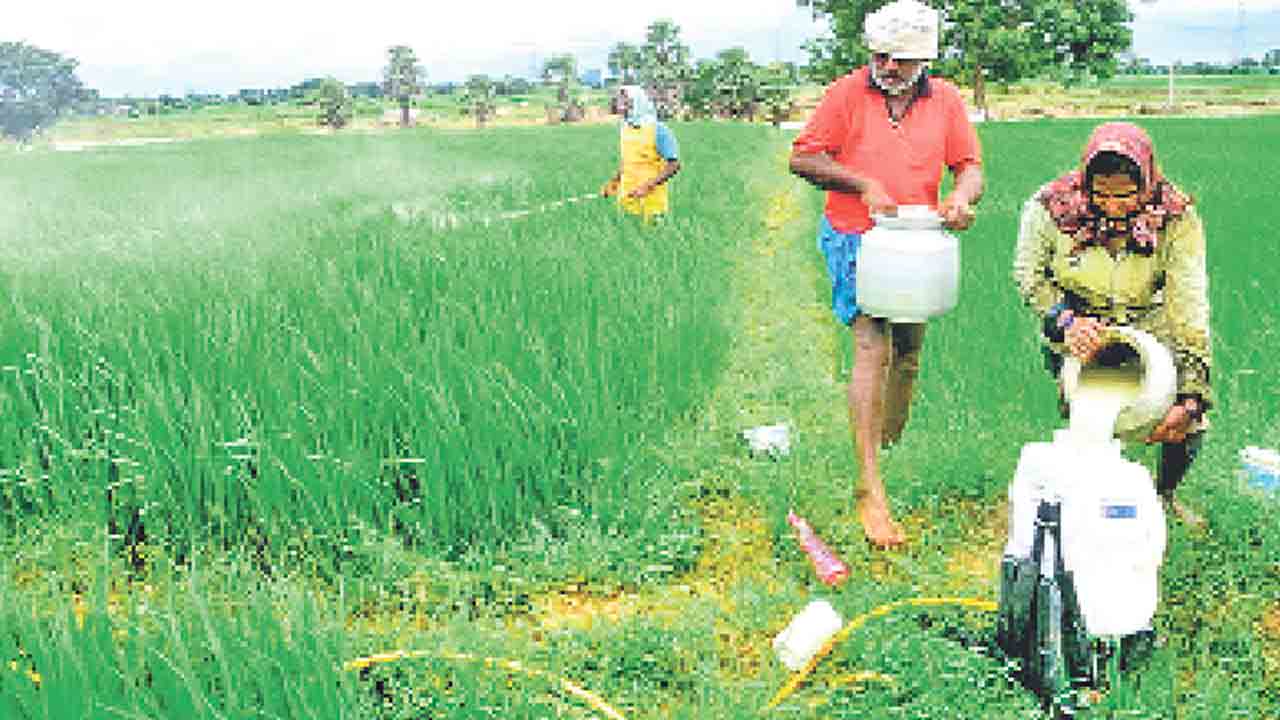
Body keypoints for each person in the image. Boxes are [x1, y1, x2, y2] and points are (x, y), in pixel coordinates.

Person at [789, 0, 984, 548]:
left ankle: (882, 443)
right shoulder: (847, 94)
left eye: (900, 60)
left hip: (917, 240)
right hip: (859, 236)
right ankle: (869, 487)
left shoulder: (944, 100)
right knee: (872, 346)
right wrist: (861, 184)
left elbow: (968, 166)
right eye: (880, 56)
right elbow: (803, 157)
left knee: (910, 352)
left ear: (923, 60)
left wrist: (962, 199)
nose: (888, 67)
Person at [1013, 121, 1212, 527]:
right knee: (1087, 413)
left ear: (1147, 182)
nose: (1112, 205)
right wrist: (1067, 322)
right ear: (1085, 182)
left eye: (1125, 195)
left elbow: (1188, 304)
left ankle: (1164, 497)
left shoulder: (1175, 218)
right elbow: (1028, 275)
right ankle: (1089, 506)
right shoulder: (1051, 208)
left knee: (1186, 422)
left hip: (1150, 320)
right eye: (1100, 193)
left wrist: (1192, 394)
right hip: (1078, 320)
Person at [600, 85, 681, 221]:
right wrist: (614, 182)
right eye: (620, 100)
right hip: (627, 198)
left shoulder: (659, 130)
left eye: (626, 101)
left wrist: (648, 186)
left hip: (651, 202)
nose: (621, 106)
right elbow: (628, 161)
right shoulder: (626, 128)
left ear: (638, 101)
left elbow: (674, 165)